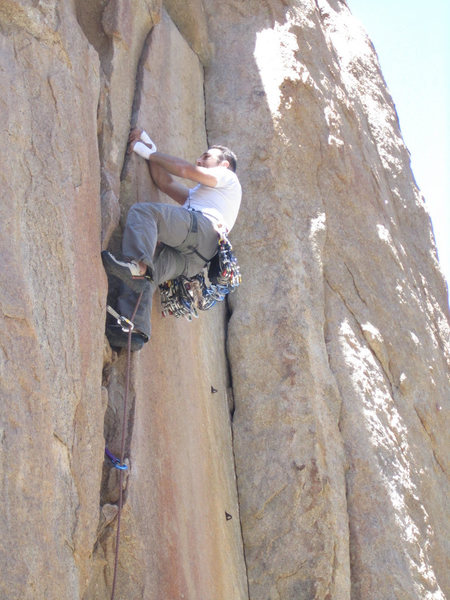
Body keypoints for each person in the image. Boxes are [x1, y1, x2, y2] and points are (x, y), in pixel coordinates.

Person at [101, 128, 242, 351]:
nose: (199, 159)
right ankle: (134, 331)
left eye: (206, 156)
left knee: (144, 214)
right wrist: (151, 150)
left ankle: (136, 266)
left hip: (202, 230)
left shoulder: (228, 178)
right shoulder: (202, 197)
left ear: (224, 165)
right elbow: (165, 183)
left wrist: (146, 153)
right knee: (151, 272)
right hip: (197, 258)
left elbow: (185, 170)